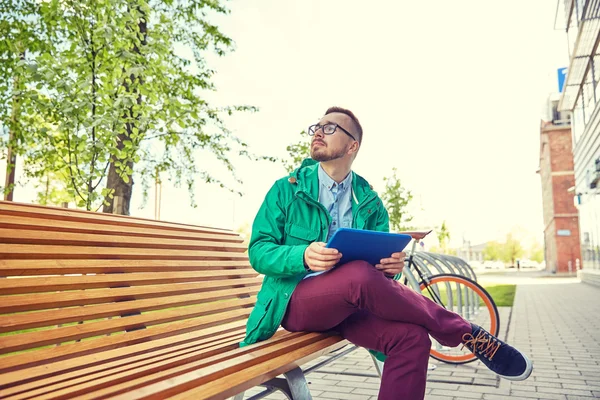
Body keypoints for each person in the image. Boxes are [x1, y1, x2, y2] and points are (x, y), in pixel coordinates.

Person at [240, 107, 533, 399]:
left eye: (330, 128)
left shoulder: (370, 202)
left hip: (352, 306)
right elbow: (259, 252)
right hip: (296, 302)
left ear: (352, 145)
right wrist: (302, 255)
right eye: (317, 126)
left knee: (413, 338)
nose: (318, 131)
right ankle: (464, 331)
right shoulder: (286, 190)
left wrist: (390, 266)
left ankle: (458, 331)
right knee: (357, 274)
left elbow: (377, 270)